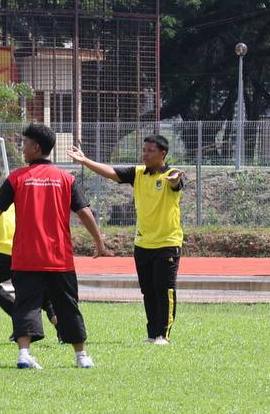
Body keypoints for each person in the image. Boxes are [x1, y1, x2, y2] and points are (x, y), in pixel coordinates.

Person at [0, 123, 104, 370]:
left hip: (25, 257)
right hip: (59, 257)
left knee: (26, 304)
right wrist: (99, 240)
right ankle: (81, 356)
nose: (21, 147)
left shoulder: (17, 178)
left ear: (36, 147)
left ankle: (24, 354)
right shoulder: (66, 178)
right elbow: (84, 212)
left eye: (24, 143)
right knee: (68, 305)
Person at [68, 134, 184, 345]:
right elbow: (111, 172)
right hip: (142, 244)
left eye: (150, 151)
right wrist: (85, 161)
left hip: (167, 243)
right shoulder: (138, 173)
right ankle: (152, 334)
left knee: (164, 289)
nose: (145, 154)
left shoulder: (169, 174)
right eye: (144, 150)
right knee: (148, 291)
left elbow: (176, 180)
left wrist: (175, 178)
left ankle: (163, 335)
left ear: (163, 153)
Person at [0, 161, 58, 340]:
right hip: (29, 249)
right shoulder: (10, 194)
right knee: (36, 289)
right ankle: (61, 327)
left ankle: (20, 321)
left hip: (8, 253)